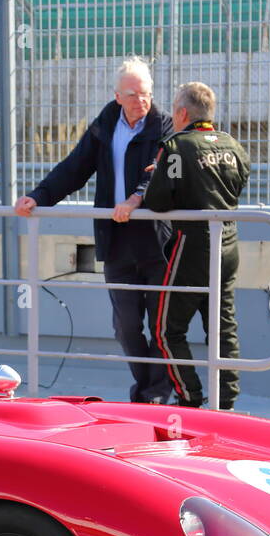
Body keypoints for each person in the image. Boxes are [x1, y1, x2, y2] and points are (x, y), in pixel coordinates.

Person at [15, 56, 173, 403]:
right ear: (117, 96)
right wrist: (38, 196)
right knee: (125, 326)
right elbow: (75, 167)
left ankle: (155, 394)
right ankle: (147, 389)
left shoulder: (164, 125)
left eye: (145, 93)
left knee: (162, 328)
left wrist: (135, 200)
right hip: (115, 240)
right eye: (132, 94)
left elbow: (157, 173)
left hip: (156, 240)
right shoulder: (105, 124)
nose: (140, 101)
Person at [141, 81, 251, 409]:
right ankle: (227, 404)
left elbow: (157, 203)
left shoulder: (175, 147)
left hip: (190, 246)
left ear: (182, 112)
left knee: (164, 330)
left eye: (175, 110)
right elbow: (233, 184)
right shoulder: (234, 146)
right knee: (222, 327)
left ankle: (189, 397)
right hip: (229, 244)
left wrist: (158, 176)